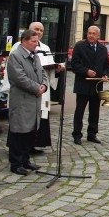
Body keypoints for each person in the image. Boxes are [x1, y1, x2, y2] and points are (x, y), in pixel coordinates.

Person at [6, 30, 47, 175]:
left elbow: (42, 72)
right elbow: (20, 78)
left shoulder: (35, 55)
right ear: (24, 41)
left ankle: (25, 160)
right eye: (33, 41)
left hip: (34, 100)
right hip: (22, 100)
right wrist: (37, 88)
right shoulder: (15, 56)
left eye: (37, 41)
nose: (36, 44)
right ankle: (16, 163)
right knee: (19, 131)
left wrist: (44, 85)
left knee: (29, 131)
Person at [27, 21, 65, 156]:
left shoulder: (45, 48)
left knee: (41, 115)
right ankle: (25, 145)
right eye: (36, 29)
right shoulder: (21, 46)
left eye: (41, 30)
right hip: (28, 88)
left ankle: (37, 144)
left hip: (43, 88)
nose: (39, 32)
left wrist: (57, 68)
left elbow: (50, 66)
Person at [69, 25, 109, 145]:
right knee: (79, 111)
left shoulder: (103, 49)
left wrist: (105, 75)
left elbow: (106, 65)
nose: (91, 35)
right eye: (89, 33)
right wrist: (86, 71)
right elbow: (74, 65)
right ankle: (77, 134)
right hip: (83, 85)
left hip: (97, 85)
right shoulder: (80, 46)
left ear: (98, 36)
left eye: (93, 33)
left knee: (94, 111)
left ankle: (92, 134)